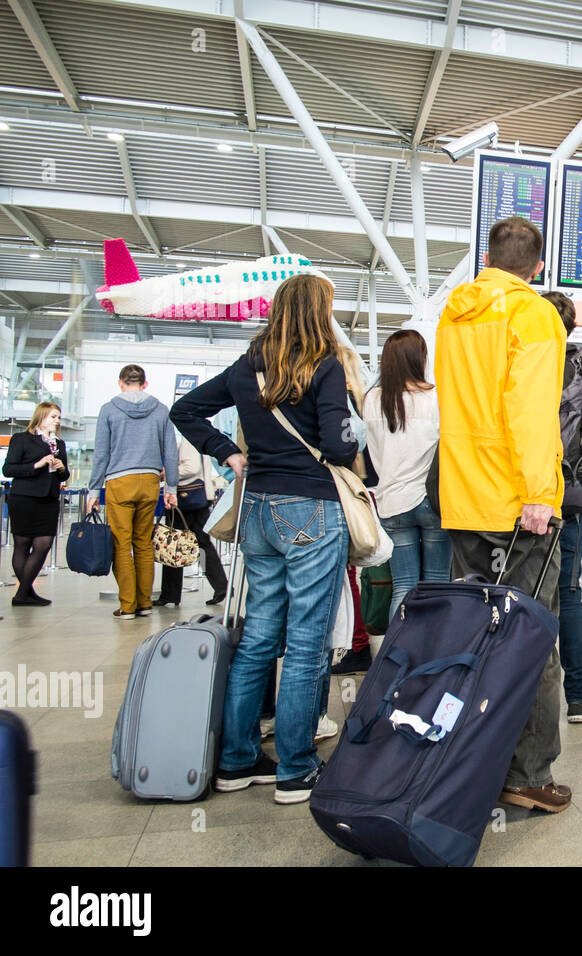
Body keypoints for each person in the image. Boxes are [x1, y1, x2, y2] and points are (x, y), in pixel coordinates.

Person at [172, 273, 356, 804]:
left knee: (256, 638)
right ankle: (295, 769)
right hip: (311, 509)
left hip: (256, 509)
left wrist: (228, 451)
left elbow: (184, 410)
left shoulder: (247, 364)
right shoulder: (324, 366)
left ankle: (237, 760)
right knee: (305, 642)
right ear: (319, 312)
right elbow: (339, 447)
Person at [435, 215, 570, 814]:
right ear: (536, 267)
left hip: (464, 497)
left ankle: (472, 761)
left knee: (477, 634)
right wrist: (542, 492)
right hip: (518, 503)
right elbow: (531, 410)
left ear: (487, 260)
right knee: (532, 639)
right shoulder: (532, 313)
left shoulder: (454, 313)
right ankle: (528, 773)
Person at [361, 329, 450, 649]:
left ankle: (400, 658)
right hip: (432, 503)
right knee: (438, 584)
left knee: (403, 586)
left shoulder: (372, 400)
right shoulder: (437, 398)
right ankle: (434, 657)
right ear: (421, 359)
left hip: (392, 504)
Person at [542, 290, 582, 723]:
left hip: (527, 497)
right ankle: (578, 698)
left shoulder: (525, 359)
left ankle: (523, 698)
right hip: (573, 496)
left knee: (527, 595)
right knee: (569, 593)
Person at [86, 365, 179, 620]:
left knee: (121, 543)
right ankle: (145, 603)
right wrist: (171, 487)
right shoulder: (161, 410)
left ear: (120, 383)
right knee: (143, 543)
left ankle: (128, 606)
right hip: (150, 482)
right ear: (145, 383)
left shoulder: (109, 410)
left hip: (120, 482)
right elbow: (171, 452)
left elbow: (101, 454)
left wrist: (94, 490)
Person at [3, 402, 69, 606]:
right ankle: (25, 593)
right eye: (53, 417)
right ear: (41, 417)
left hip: (48, 500)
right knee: (22, 544)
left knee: (43, 544)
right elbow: (9, 469)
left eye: (58, 417)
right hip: (24, 498)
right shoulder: (22, 439)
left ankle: (23, 593)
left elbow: (64, 476)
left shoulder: (59, 444)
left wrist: (61, 468)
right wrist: (37, 464)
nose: (57, 421)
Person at [157, 436, 229, 608]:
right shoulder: (196, 439)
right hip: (198, 498)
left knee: (173, 544)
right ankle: (221, 586)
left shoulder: (189, 440)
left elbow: (191, 468)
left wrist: (166, 473)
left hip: (185, 498)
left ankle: (170, 594)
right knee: (202, 544)